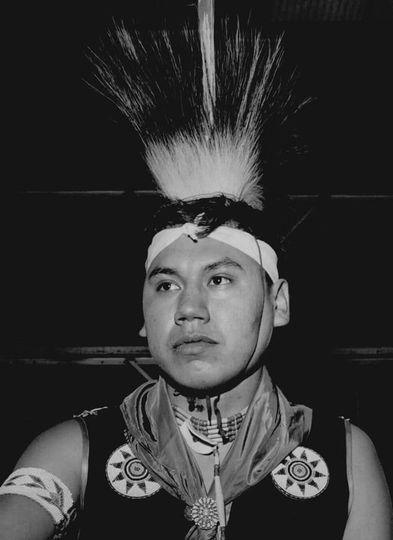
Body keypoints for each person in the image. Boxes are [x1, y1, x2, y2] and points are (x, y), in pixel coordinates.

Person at [1, 2, 392, 539]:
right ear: (142, 316)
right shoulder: (77, 450)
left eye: (220, 278)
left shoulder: (344, 456)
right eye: (165, 284)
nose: (187, 308)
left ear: (277, 302)